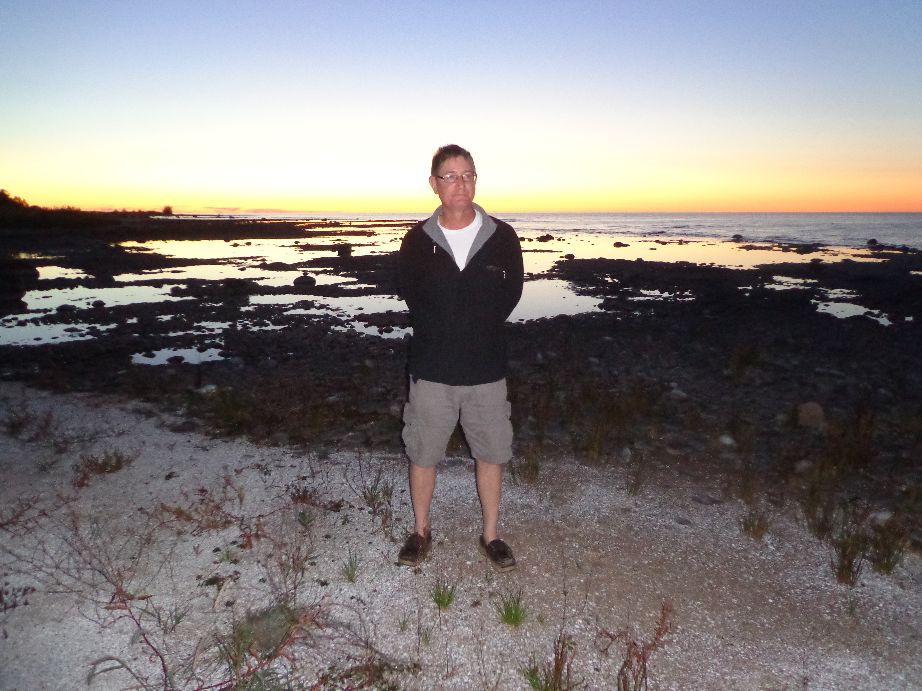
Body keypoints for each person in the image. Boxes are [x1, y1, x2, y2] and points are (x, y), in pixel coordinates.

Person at [396, 144, 524, 571]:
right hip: (432, 368)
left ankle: (491, 534)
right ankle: (421, 531)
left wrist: (477, 329)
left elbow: (512, 294)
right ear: (434, 184)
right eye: (450, 176)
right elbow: (412, 295)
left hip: (486, 367)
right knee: (423, 452)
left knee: (491, 452)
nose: (460, 183)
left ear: (475, 181)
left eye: (467, 175)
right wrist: (445, 330)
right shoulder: (417, 240)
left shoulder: (502, 237)